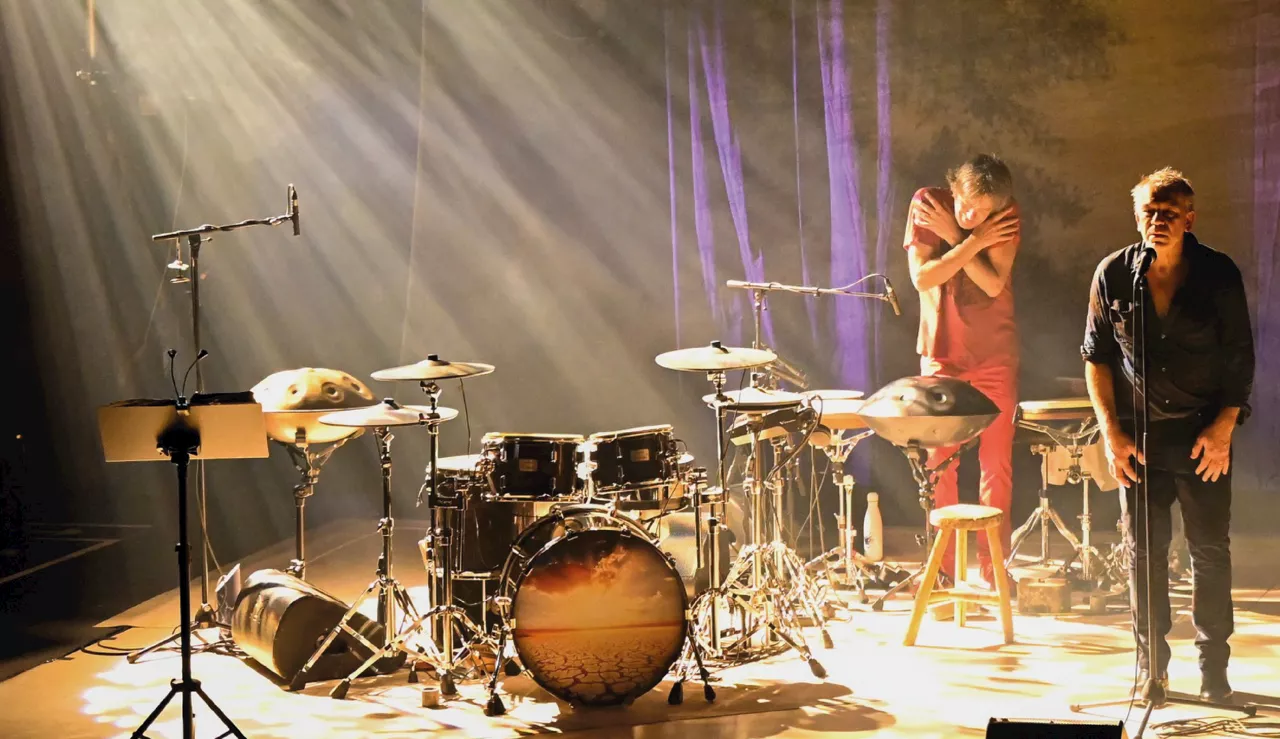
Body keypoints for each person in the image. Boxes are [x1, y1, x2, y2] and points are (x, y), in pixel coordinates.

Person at [1081, 168, 1253, 702]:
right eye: (1149, 213)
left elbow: (1240, 359)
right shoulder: (1114, 275)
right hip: (1139, 439)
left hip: (1203, 436)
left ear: (1189, 219)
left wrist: (1225, 427)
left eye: (1169, 214)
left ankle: (1213, 671)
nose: (1158, 222)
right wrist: (1111, 432)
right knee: (1144, 554)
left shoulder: (1218, 274)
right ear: (1137, 217)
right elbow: (1096, 358)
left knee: (1209, 551)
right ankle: (1151, 669)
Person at [903, 153, 1022, 589]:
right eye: (966, 205)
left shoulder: (1005, 212)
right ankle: (944, 571)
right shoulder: (928, 204)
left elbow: (993, 284)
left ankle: (995, 569)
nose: (972, 216)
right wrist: (967, 240)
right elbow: (923, 278)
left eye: (981, 213)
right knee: (940, 464)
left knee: (997, 466)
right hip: (942, 355)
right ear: (953, 188)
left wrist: (955, 238)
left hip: (995, 356)